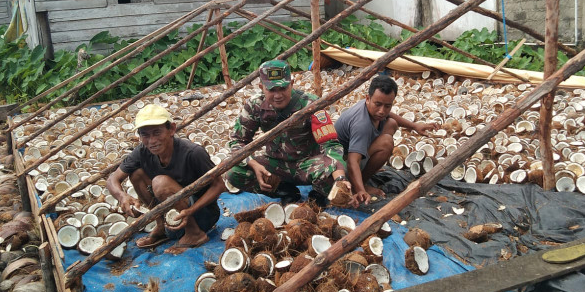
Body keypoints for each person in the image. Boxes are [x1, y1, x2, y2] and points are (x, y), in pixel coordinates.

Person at [227, 60, 351, 206]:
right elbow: (237, 141)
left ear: (291, 83)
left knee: (337, 170)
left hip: (308, 164)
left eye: (283, 88)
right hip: (275, 165)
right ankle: (285, 191)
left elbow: (331, 144)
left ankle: (318, 194)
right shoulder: (255, 105)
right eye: (272, 90)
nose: (278, 95)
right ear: (261, 87)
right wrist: (253, 164)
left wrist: (340, 179)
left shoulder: (311, 104)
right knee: (234, 172)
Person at [105, 104, 225, 254]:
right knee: (136, 174)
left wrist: (190, 211)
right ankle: (161, 225)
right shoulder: (142, 151)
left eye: (157, 133)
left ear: (172, 129)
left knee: (160, 183)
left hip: (202, 214)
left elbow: (219, 185)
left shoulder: (193, 153)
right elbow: (112, 180)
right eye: (145, 135)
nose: (151, 141)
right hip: (172, 212)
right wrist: (122, 196)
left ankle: (194, 234)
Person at [336, 74, 439, 206]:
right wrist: (360, 190)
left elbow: (390, 116)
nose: (381, 111)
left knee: (391, 123)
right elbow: (352, 161)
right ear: (368, 99)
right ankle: (360, 184)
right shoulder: (361, 124)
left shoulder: (370, 106)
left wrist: (415, 126)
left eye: (387, 106)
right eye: (378, 104)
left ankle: (364, 174)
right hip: (339, 168)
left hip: (351, 153)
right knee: (386, 143)